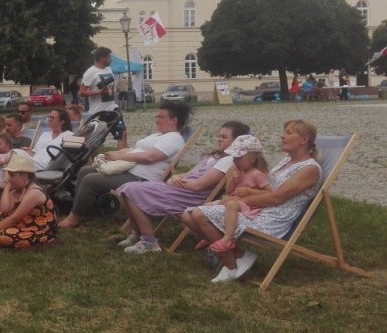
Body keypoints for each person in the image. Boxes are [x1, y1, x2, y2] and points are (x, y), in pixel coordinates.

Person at [181, 120, 322, 283]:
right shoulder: (286, 161)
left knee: (199, 214)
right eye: (284, 132)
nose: (282, 136)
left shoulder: (309, 169)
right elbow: (266, 189)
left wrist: (236, 199)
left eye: (289, 133)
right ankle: (240, 255)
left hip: (272, 219)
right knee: (187, 215)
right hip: (257, 210)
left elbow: (276, 198)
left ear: (304, 140)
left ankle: (230, 266)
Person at [117, 121, 251, 253]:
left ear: (236, 141)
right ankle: (138, 233)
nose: (219, 139)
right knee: (128, 189)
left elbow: (198, 186)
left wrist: (176, 182)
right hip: (179, 190)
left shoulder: (228, 161)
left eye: (224, 137)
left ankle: (148, 241)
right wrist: (174, 178)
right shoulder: (214, 156)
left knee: (131, 189)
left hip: (189, 197)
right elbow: (188, 174)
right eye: (219, 136)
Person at [57, 101, 191, 229]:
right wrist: (116, 151)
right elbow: (134, 150)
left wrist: (120, 156)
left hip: (142, 177)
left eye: (161, 117)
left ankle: (74, 219)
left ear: (174, 120)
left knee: (90, 180)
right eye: (157, 116)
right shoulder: (158, 135)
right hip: (130, 170)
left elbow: (150, 157)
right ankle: (86, 209)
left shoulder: (173, 138)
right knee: (85, 170)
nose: (156, 119)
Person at [203, 134, 271, 254]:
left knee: (231, 205)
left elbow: (269, 193)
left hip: (248, 205)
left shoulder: (257, 174)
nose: (235, 161)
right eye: (234, 158)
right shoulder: (239, 172)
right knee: (207, 206)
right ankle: (211, 235)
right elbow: (229, 191)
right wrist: (232, 180)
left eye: (238, 158)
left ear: (252, 159)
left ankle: (227, 239)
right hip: (233, 199)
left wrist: (250, 191)